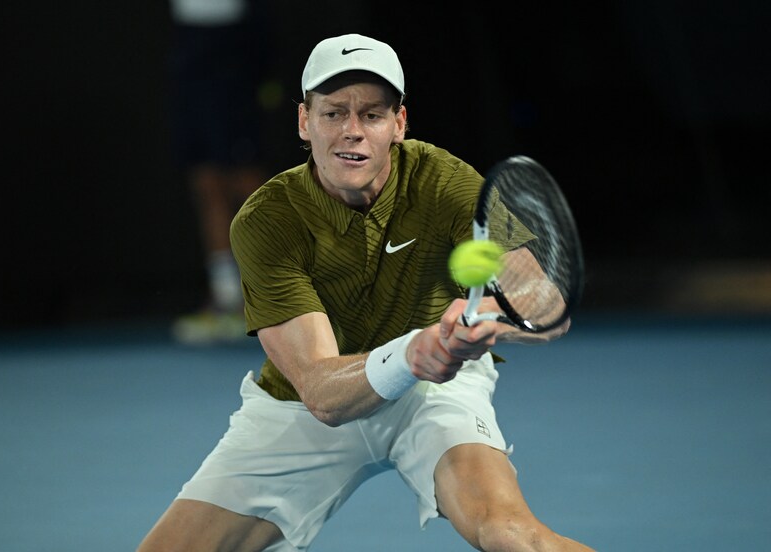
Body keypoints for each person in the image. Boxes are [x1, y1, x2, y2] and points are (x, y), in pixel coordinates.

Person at [138, 33, 595, 551]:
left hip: (434, 394)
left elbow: (545, 300)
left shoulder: (441, 180)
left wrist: (492, 316)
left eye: (372, 115)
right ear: (304, 122)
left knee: (511, 535)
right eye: (333, 113)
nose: (352, 131)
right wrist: (413, 351)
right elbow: (321, 392)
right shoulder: (268, 220)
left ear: (399, 124)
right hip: (305, 406)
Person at [167, 0, 271, 344]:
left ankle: (274, 289)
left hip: (234, 43)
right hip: (188, 45)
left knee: (246, 180)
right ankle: (227, 299)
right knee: (206, 181)